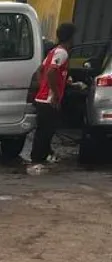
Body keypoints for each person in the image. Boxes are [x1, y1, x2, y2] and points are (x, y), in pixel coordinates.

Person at [28, 21, 76, 174]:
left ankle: (41, 157)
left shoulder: (53, 52)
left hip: (41, 98)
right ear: (71, 37)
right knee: (46, 132)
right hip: (48, 99)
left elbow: (41, 70)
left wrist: (45, 84)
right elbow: (50, 72)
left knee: (43, 130)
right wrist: (54, 93)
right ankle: (38, 160)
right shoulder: (62, 53)